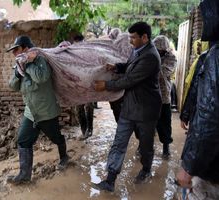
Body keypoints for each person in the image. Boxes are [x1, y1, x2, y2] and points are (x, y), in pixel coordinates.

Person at [93, 21, 162, 192]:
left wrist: (107, 85)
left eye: (133, 37)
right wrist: (116, 66)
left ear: (144, 37)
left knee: (145, 145)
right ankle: (110, 180)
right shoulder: (137, 50)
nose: (130, 40)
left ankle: (146, 169)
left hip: (146, 109)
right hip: (130, 106)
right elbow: (130, 68)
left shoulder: (151, 56)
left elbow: (130, 80)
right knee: (119, 142)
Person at [6, 35, 69, 185]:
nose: (14, 53)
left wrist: (29, 63)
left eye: (16, 49)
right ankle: (24, 175)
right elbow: (12, 86)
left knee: (56, 138)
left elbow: (41, 78)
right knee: (23, 140)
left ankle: (64, 157)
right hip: (31, 113)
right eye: (13, 51)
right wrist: (17, 73)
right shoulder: (19, 65)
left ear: (25, 48)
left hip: (46, 112)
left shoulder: (40, 60)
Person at [176, 0, 219, 198]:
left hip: (211, 167)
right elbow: (193, 88)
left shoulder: (215, 57)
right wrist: (185, 112)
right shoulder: (207, 56)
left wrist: (189, 165)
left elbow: (209, 115)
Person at [152, 35, 177, 159]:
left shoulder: (171, 58)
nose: (157, 50)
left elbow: (164, 72)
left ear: (164, 48)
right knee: (149, 122)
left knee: (165, 123)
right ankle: (144, 146)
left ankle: (166, 147)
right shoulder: (151, 56)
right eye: (155, 48)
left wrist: (152, 65)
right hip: (150, 96)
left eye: (159, 49)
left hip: (164, 97)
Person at [73, 33, 95, 139]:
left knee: (88, 106)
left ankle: (89, 130)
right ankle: (84, 130)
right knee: (78, 109)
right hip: (76, 86)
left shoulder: (88, 53)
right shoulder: (71, 54)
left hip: (88, 85)